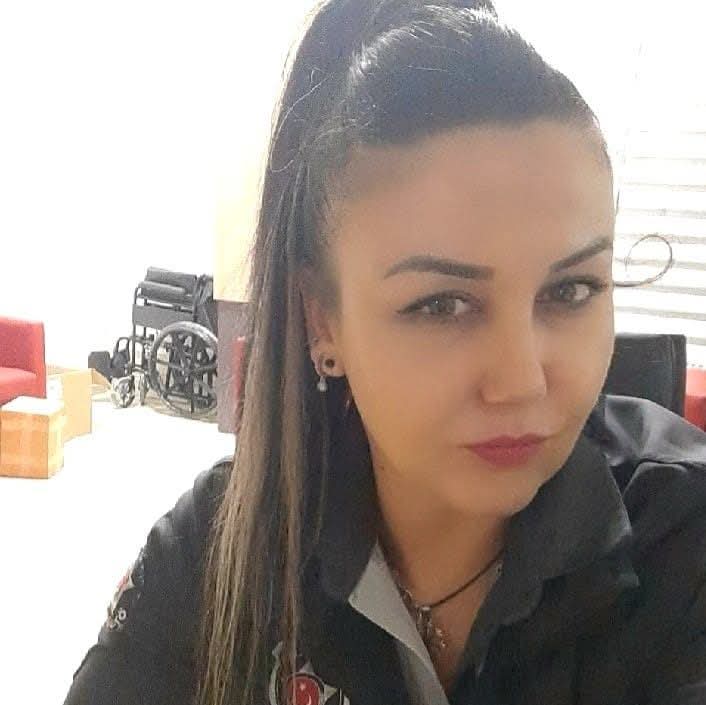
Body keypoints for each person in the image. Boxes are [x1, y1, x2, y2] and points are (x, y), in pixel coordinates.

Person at [64, 1, 706, 704]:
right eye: (442, 304)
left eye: (571, 290)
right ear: (323, 321)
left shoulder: (683, 542)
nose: (521, 380)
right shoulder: (223, 545)